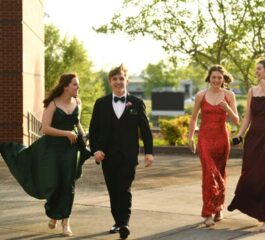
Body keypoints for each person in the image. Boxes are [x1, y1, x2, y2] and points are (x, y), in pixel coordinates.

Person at [0, 73, 91, 236]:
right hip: (52, 150)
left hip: (71, 151)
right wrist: (66, 133)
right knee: (54, 183)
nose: (78, 87)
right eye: (75, 84)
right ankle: (54, 214)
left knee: (68, 185)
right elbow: (45, 128)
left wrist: (84, 138)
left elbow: (77, 123)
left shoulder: (78, 102)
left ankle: (65, 222)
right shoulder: (53, 104)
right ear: (66, 86)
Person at [89, 64, 154, 239]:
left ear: (127, 80)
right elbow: (93, 131)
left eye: (121, 78)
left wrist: (149, 152)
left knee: (124, 188)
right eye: (115, 79)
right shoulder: (101, 104)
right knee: (113, 190)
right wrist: (95, 150)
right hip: (107, 155)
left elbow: (145, 130)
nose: (118, 82)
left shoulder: (137, 103)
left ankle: (124, 223)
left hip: (128, 155)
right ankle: (118, 222)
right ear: (110, 82)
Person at [227, 58, 265, 232]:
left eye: (259, 69)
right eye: (256, 69)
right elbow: (248, 116)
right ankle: (251, 206)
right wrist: (240, 135)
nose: (256, 72)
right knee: (250, 174)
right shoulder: (252, 90)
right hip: (254, 138)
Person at [188, 65, 239, 227]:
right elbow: (194, 117)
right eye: (213, 77)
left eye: (219, 77)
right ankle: (207, 213)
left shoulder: (229, 95)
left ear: (223, 79)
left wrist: (228, 108)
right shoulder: (200, 95)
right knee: (208, 173)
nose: (216, 80)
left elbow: (237, 120)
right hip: (205, 137)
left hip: (222, 138)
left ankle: (218, 209)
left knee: (220, 174)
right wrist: (190, 137)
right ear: (209, 78)